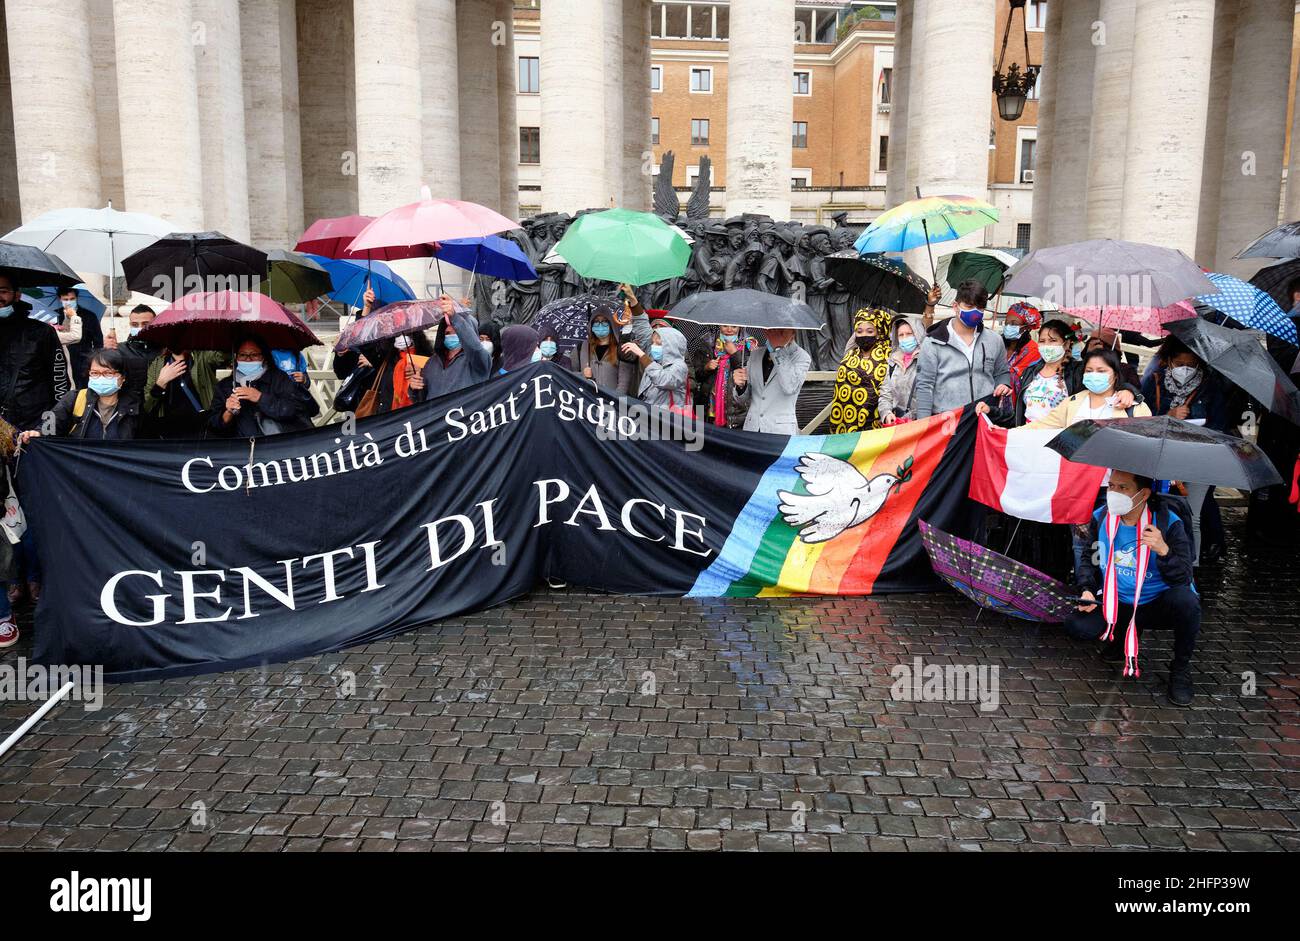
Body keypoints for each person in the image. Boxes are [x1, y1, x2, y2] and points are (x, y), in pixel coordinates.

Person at [1066, 471, 1200, 705]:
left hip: (1154, 603)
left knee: (1187, 602)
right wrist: (1087, 589)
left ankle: (1180, 670)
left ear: (1144, 493)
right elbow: (1090, 558)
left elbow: (1184, 575)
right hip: (1116, 600)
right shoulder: (1103, 517)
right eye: (1111, 486)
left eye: (1123, 488)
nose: (1113, 493)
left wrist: (1163, 550)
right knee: (1078, 626)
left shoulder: (1168, 523)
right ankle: (1121, 637)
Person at [1142, 335, 1231, 563]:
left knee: (1193, 516)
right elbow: (1143, 418)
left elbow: (1219, 425)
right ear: (1169, 361)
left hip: (1199, 459)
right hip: (1162, 457)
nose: (1185, 369)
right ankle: (1157, 565)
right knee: (1160, 513)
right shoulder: (1155, 381)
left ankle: (1189, 570)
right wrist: (1168, 416)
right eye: (1180, 364)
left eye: (1191, 365)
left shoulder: (1210, 386)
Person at [913, 280, 1012, 419]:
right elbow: (925, 386)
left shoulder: (994, 340)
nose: (975, 312)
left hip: (983, 418)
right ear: (955, 306)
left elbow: (1002, 372)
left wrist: (1003, 383)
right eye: (969, 306)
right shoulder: (933, 342)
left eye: (980, 308)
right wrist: (923, 426)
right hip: (947, 422)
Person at [0, 274, 72, 431]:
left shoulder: (42, 332)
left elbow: (59, 384)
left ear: (17, 295)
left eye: (3, 291)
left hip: (32, 427)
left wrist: (48, 430)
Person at [19, 348, 140, 441]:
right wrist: (37, 433)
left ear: (122, 377)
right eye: (95, 373)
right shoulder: (74, 398)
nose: (101, 378)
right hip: (80, 468)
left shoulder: (135, 405)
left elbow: (146, 443)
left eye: (108, 373)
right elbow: (49, 425)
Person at [210, 337, 319, 437]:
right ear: (236, 357)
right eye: (243, 355)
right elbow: (213, 425)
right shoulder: (224, 386)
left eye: (254, 355)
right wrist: (227, 413)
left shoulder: (279, 378)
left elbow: (293, 410)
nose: (248, 359)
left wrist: (260, 398)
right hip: (239, 451)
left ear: (264, 357)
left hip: (276, 448)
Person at [1018, 348, 1149, 428]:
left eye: (1101, 371)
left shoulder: (1133, 407)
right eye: (1089, 370)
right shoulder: (1071, 402)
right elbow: (1042, 425)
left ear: (1115, 375)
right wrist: (1004, 432)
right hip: (1075, 472)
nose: (1094, 375)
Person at [731, 327, 812, 434]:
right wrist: (741, 386)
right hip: (752, 429)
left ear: (793, 331)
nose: (776, 333)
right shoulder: (756, 354)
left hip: (780, 432)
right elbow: (743, 400)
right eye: (772, 329)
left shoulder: (801, 357)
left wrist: (778, 349)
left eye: (781, 330)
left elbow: (789, 387)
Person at [830, 307, 893, 433]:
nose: (864, 335)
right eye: (859, 331)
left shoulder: (889, 355)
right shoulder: (850, 353)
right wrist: (863, 318)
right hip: (845, 419)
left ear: (878, 332)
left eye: (870, 331)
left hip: (874, 423)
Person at [145, 347, 227, 439]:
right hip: (171, 431)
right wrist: (160, 383)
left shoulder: (202, 356)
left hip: (202, 427)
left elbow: (222, 357)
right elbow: (147, 406)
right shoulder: (157, 365)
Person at [1009, 318, 1078, 426]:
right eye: (1042, 341)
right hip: (1028, 435)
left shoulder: (1077, 372)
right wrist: (991, 411)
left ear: (1066, 343)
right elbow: (1019, 411)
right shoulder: (1030, 371)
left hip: (1059, 438)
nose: (1047, 345)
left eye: (1053, 340)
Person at [421, 300, 492, 398]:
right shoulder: (432, 362)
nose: (450, 335)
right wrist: (415, 389)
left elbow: (474, 347)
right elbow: (422, 400)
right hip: (435, 413)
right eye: (447, 333)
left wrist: (455, 317)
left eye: (456, 331)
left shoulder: (478, 360)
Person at [626, 306, 690, 412]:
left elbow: (664, 380)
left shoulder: (680, 366)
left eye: (659, 343)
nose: (653, 346)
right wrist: (633, 301)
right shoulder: (655, 361)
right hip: (650, 416)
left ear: (670, 345)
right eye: (653, 343)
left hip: (669, 421)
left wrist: (641, 355)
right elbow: (642, 328)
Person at [877, 313, 926, 425]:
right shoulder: (893, 362)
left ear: (918, 335)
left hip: (920, 425)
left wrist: (911, 417)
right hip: (897, 424)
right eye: (901, 335)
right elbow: (886, 394)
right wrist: (886, 413)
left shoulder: (927, 360)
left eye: (909, 334)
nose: (905, 338)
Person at [577, 308, 637, 395]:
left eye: (604, 321)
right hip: (587, 400)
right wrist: (582, 375)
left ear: (611, 324)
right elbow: (571, 374)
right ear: (591, 326)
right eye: (596, 321)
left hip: (611, 402)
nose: (600, 324)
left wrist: (615, 401)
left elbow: (624, 382)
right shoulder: (582, 347)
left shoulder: (621, 348)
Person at [1001, 302, 1042, 397]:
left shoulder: (1034, 350)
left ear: (1026, 327)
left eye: (1013, 324)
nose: (1008, 326)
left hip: (1018, 402)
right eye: (1006, 323)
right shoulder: (999, 345)